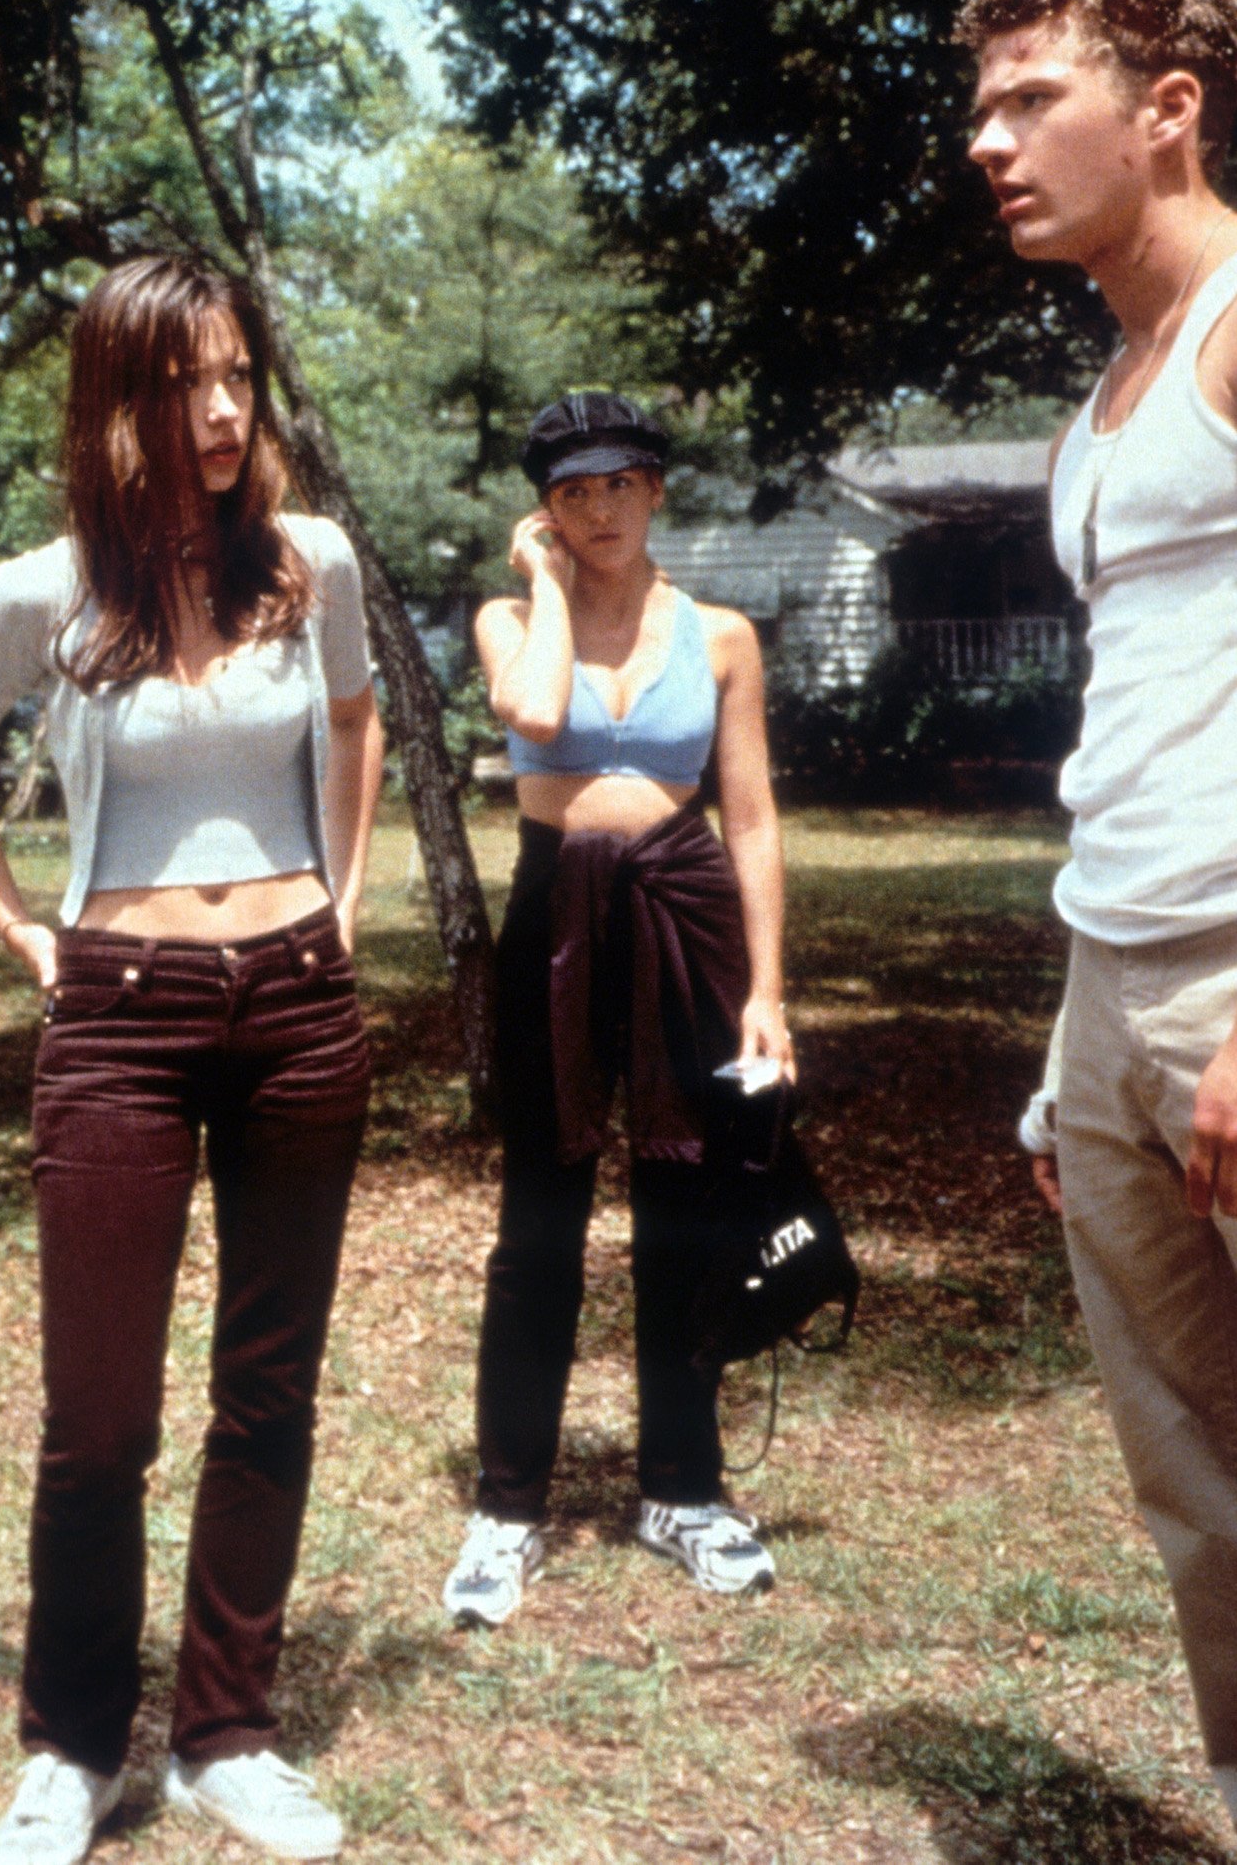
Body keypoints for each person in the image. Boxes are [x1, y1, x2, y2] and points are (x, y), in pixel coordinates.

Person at [0, 257, 383, 1865]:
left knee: (269, 1383)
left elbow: (359, 717)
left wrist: (348, 893)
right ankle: (71, 1745)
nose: (226, 408)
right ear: (114, 400)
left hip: (300, 1005)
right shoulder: (45, 591)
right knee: (99, 1412)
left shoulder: (311, 562)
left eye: (241, 373)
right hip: (114, 1007)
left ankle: (228, 1732)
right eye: (188, 379)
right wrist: (16, 927)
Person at [960, 0, 1237, 1865]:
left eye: (1033, 98)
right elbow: (1141, 728)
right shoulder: (1099, 403)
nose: (988, 140)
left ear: (1168, 109)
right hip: (1119, 995)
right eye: (984, 106)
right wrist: (1068, 1055)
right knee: (1208, 1494)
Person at [440, 392, 793, 1627]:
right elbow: (532, 716)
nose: (599, 509)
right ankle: (507, 1504)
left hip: (682, 906)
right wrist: (540, 580)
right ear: (543, 508)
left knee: (684, 1209)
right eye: (571, 492)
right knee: (540, 1213)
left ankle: (681, 1488)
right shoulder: (505, 618)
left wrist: (766, 989)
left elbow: (746, 816)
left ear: (656, 488)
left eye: (619, 484)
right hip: (556, 910)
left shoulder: (723, 636)